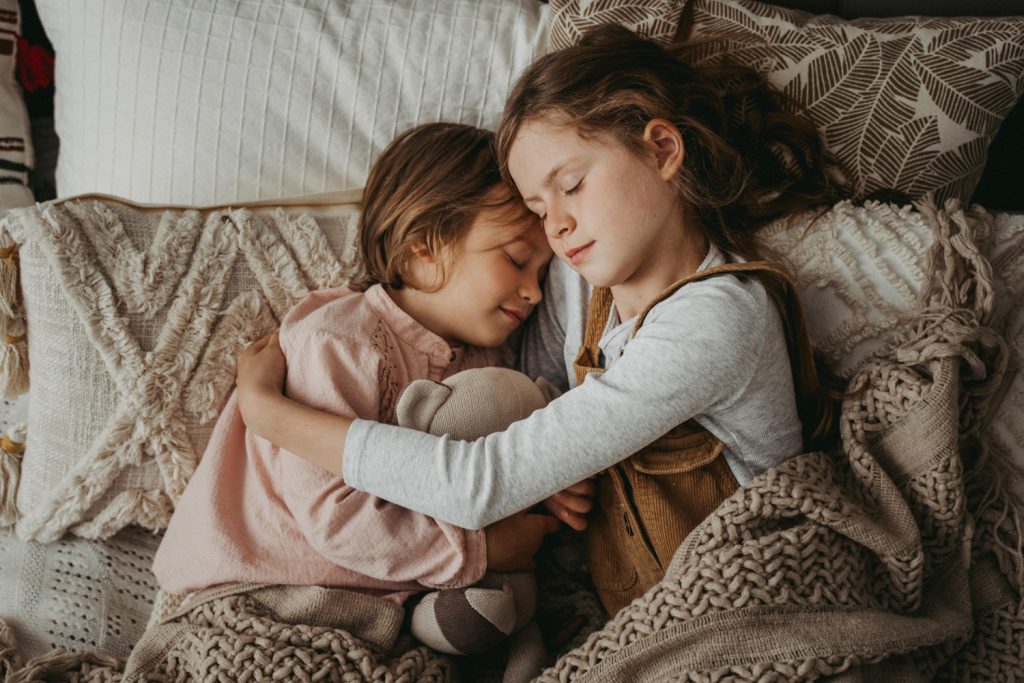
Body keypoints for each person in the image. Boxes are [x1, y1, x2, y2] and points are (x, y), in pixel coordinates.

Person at [235, 25, 849, 615]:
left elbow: (481, 481)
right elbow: (523, 413)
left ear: (663, 150)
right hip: (641, 606)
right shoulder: (578, 279)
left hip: (750, 598)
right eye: (536, 206)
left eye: (572, 185)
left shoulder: (717, 320)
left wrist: (269, 413)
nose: (554, 225)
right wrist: (547, 476)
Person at [151, 123, 561, 614]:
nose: (534, 292)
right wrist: (481, 549)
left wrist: (551, 484)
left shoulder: (486, 363)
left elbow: (488, 472)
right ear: (423, 247)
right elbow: (338, 517)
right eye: (516, 259)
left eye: (542, 273)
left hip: (378, 596)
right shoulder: (341, 341)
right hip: (259, 584)